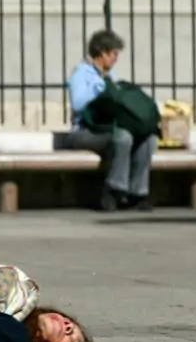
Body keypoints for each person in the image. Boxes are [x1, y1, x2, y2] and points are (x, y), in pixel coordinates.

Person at [67, 29, 158, 212]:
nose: (116, 58)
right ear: (102, 53)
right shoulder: (81, 74)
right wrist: (100, 88)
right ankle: (114, 191)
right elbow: (77, 103)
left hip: (107, 127)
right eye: (114, 53)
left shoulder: (110, 75)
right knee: (122, 137)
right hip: (85, 132)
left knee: (148, 138)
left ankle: (137, 193)